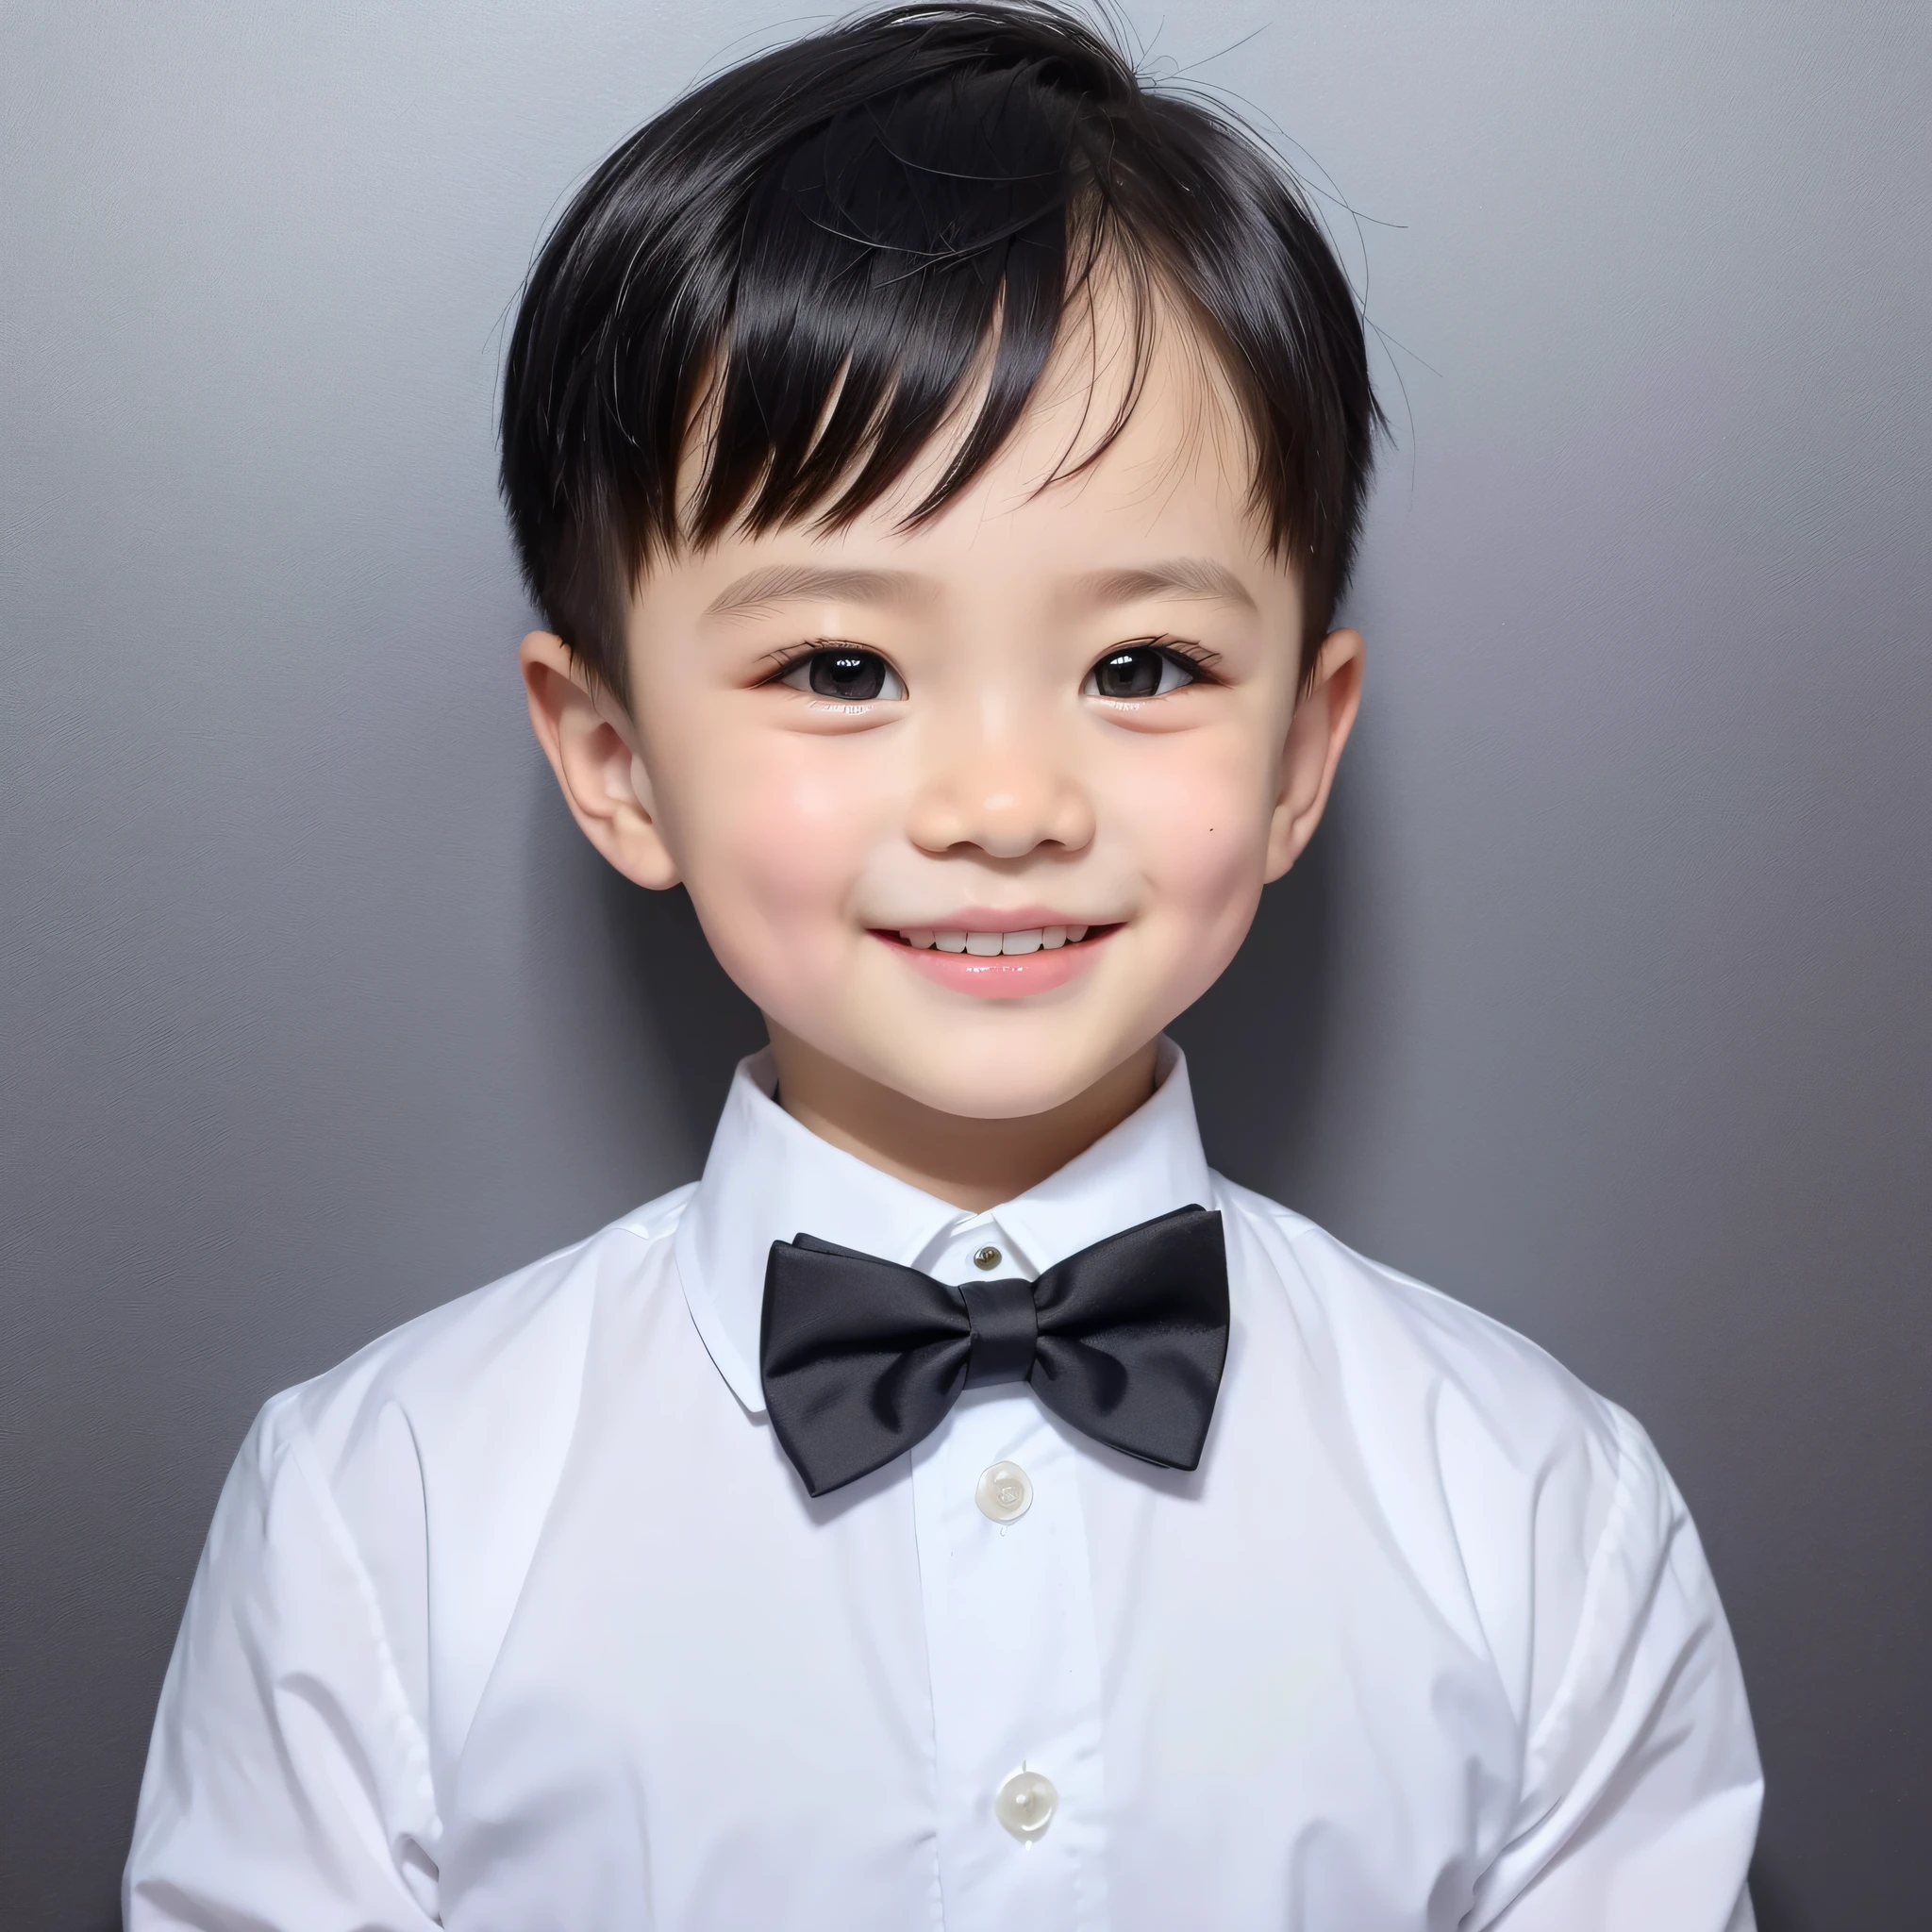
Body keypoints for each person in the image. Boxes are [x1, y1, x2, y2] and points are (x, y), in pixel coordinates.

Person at [123, 5, 1761, 1926]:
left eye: (1140, 666)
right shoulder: (377, 1513)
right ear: (613, 759)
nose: (1004, 799)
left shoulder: (1536, 1509)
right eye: (841, 668)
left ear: (1305, 751)